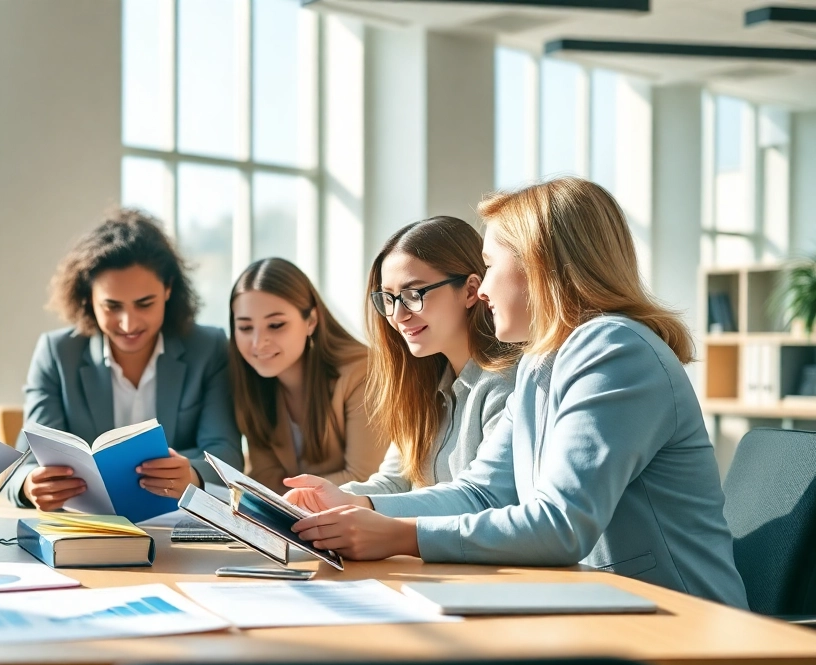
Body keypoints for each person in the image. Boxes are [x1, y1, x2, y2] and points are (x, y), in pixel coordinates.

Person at [289, 178, 748, 608]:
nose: (482, 290)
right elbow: (482, 494)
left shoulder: (614, 349)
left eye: (489, 267)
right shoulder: (539, 361)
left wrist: (398, 535)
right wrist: (358, 507)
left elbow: (560, 524)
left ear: (539, 265)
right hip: (602, 607)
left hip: (677, 618)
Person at [11, 208, 242, 511]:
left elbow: (226, 455)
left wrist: (194, 474)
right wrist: (30, 486)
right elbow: (25, 463)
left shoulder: (208, 347)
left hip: (182, 525)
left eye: (145, 304)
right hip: (89, 530)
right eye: (112, 306)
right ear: (88, 299)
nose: (128, 323)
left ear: (168, 289)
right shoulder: (57, 353)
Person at [282, 216, 517, 509]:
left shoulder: (507, 385)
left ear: (470, 291)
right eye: (389, 298)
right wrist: (323, 499)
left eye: (412, 294)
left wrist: (363, 505)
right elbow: (395, 482)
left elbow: (482, 500)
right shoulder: (426, 384)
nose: (398, 315)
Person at [228, 257, 386, 491]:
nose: (258, 343)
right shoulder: (250, 381)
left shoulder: (363, 372)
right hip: (294, 521)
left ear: (311, 320)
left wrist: (286, 499)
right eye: (245, 327)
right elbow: (264, 476)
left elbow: (364, 478)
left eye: (275, 325)